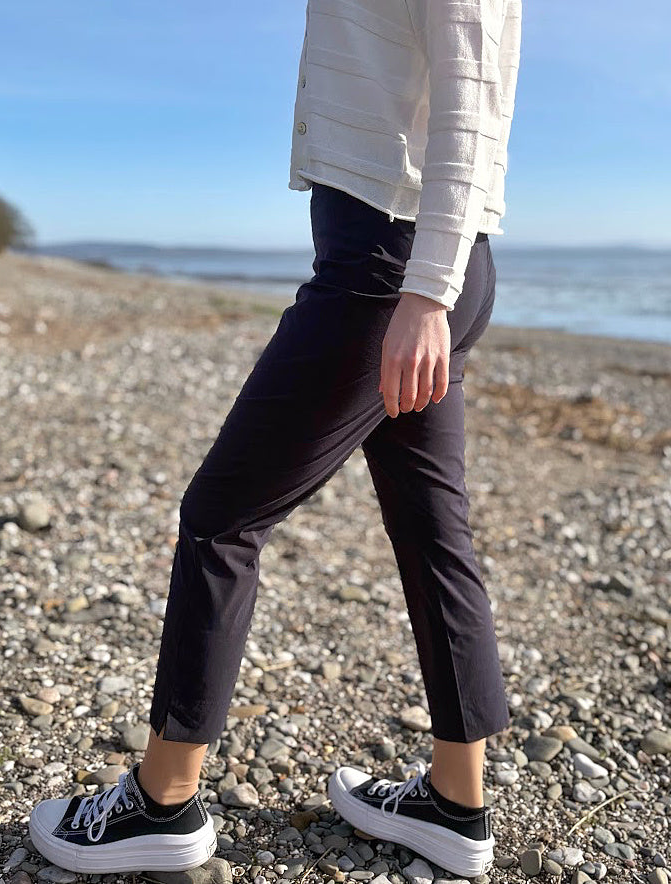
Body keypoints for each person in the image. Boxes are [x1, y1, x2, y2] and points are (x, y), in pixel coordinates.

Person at [28, 0, 522, 878]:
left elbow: (473, 91)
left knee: (220, 519)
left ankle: (161, 802)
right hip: (408, 265)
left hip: (392, 273)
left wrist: (425, 295)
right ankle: (456, 801)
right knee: (433, 531)